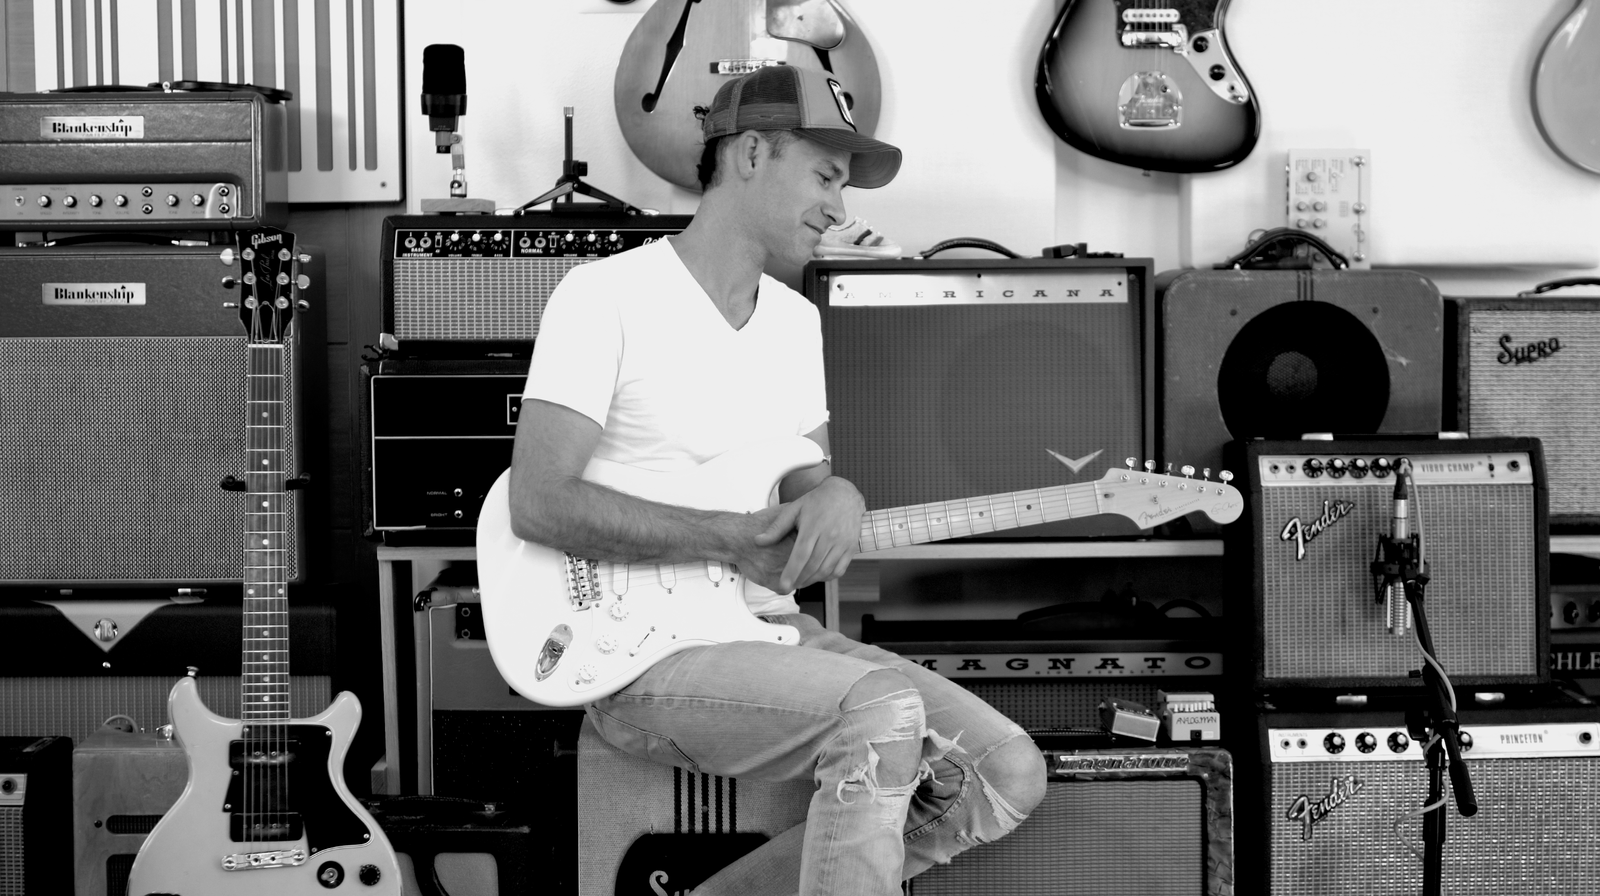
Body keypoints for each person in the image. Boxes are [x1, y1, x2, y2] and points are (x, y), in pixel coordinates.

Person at [507, 64, 1046, 896]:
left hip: (765, 630)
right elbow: (538, 501)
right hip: (635, 657)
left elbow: (805, 486)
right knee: (881, 713)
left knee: (1005, 772)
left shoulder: (795, 323)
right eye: (826, 176)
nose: (840, 207)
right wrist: (727, 538)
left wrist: (838, 496)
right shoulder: (604, 296)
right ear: (752, 153)